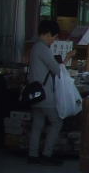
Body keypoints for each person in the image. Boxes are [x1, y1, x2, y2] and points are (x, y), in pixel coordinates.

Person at [27, 20, 76, 165]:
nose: (54, 40)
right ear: (47, 34)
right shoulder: (42, 48)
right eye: (54, 37)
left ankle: (33, 154)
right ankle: (47, 154)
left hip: (35, 94)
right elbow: (56, 70)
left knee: (37, 124)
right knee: (56, 122)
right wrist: (68, 57)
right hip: (45, 94)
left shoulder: (35, 48)